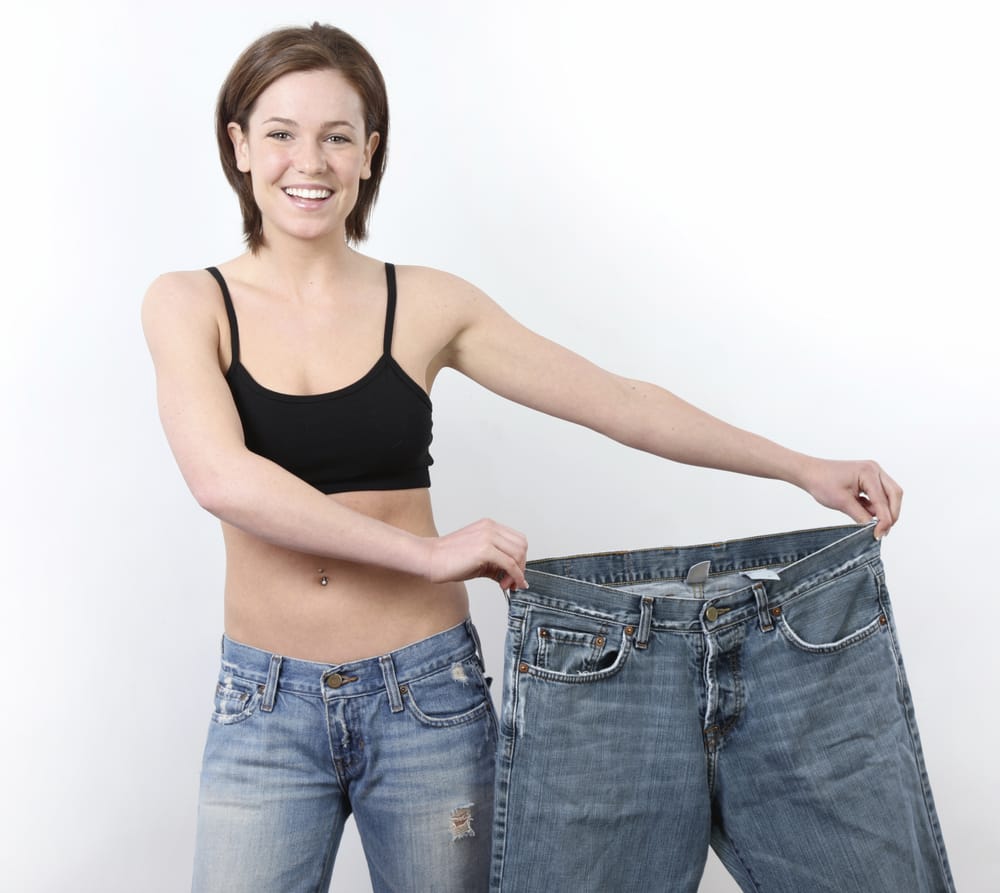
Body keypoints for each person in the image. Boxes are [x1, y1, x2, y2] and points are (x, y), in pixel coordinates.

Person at [141, 22, 902, 893]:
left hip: (426, 700)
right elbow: (223, 479)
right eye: (281, 132)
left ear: (369, 152)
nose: (308, 162)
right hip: (263, 705)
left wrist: (801, 466)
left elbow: (619, 402)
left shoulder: (426, 304)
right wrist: (427, 554)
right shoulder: (188, 303)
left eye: (337, 136)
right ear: (240, 144)